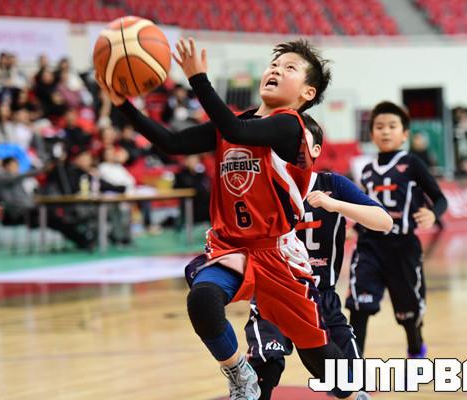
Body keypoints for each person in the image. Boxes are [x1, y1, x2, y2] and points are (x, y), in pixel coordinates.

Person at [97, 37, 366, 400]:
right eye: (274, 64)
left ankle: (351, 393)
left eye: (289, 68)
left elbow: (238, 132)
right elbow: (172, 144)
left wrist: (198, 79)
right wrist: (124, 105)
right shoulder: (233, 124)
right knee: (202, 300)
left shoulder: (290, 127)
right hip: (231, 247)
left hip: (277, 253)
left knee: (316, 353)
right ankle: (239, 374)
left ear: (307, 93)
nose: (276, 70)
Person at [245, 114, 392, 399]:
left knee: (349, 381)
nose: (287, 145)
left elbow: (384, 221)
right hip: (275, 295)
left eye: (297, 139)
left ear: (315, 150)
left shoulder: (332, 184)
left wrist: (335, 205)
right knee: (266, 366)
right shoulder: (263, 187)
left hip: (322, 297)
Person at [345, 101, 448, 359]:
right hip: (369, 246)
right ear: (372, 134)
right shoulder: (366, 170)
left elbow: (440, 199)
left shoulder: (412, 163)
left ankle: (415, 350)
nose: (386, 131)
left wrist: (432, 214)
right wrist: (354, 228)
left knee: (408, 314)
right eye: (379, 127)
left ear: (404, 134)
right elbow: (366, 207)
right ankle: (354, 367)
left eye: (392, 126)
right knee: (359, 306)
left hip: (403, 247)